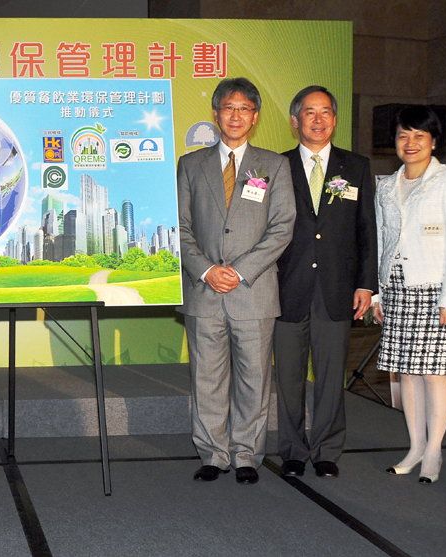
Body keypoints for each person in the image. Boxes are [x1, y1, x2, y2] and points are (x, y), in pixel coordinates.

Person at [177, 77, 295, 485]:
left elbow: (282, 228)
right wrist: (208, 270)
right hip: (204, 289)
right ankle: (212, 453)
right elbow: (180, 227)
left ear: (255, 117)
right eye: (228, 108)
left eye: (244, 109)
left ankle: (246, 454)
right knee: (206, 377)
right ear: (216, 113)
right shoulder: (190, 165)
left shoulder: (274, 165)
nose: (235, 115)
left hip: (253, 290)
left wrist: (240, 270)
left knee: (254, 378)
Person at [274, 86, 377, 479]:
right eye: (309, 113)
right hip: (286, 288)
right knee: (288, 376)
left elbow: (367, 229)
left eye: (325, 113)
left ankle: (327, 449)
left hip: (338, 289)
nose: (318, 120)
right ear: (294, 120)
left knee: (332, 376)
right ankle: (292, 450)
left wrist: (367, 284)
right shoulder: (274, 166)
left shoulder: (356, 166)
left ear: (335, 119)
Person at [372, 105, 446, 484]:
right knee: (407, 373)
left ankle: (434, 452)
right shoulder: (386, 184)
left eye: (419, 136)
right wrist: (379, 294)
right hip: (396, 287)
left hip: (434, 289)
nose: (410, 143)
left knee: (433, 373)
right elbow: (383, 240)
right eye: (403, 135)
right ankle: (414, 447)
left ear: (433, 141)